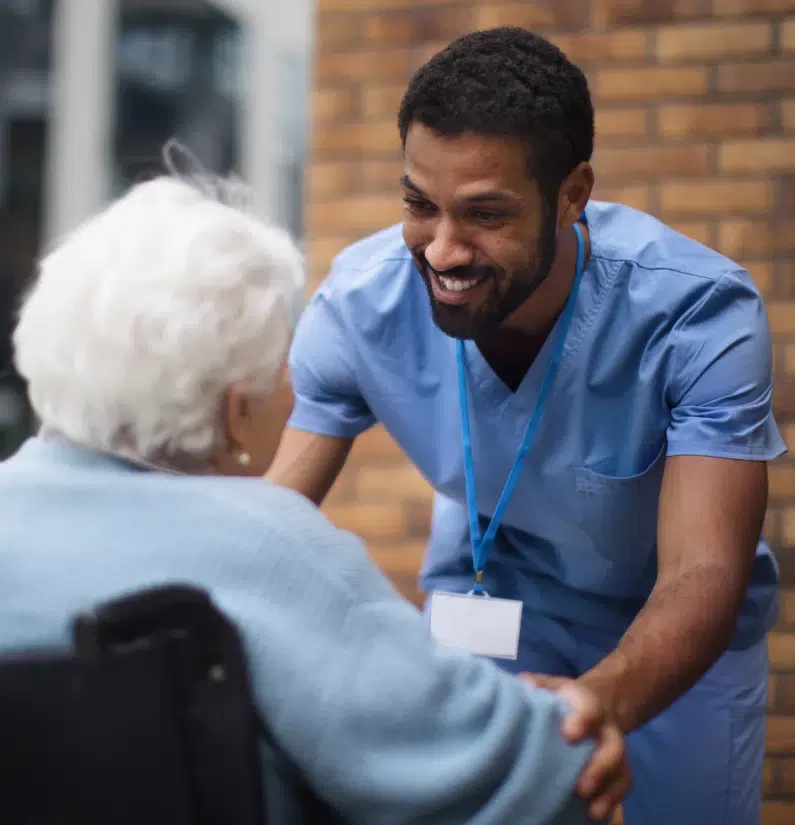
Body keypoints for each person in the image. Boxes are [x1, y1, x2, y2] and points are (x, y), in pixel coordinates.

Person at [268, 26, 786, 825]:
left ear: (573, 193)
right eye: (418, 204)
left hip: (671, 630)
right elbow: (269, 521)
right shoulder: (360, 304)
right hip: (494, 601)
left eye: (483, 214)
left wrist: (596, 701)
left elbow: (701, 573)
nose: (441, 248)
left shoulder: (697, 313)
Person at [0, 172, 628, 825]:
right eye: (281, 361)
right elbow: (510, 764)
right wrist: (571, 732)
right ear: (236, 412)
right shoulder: (259, 545)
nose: (294, 382)